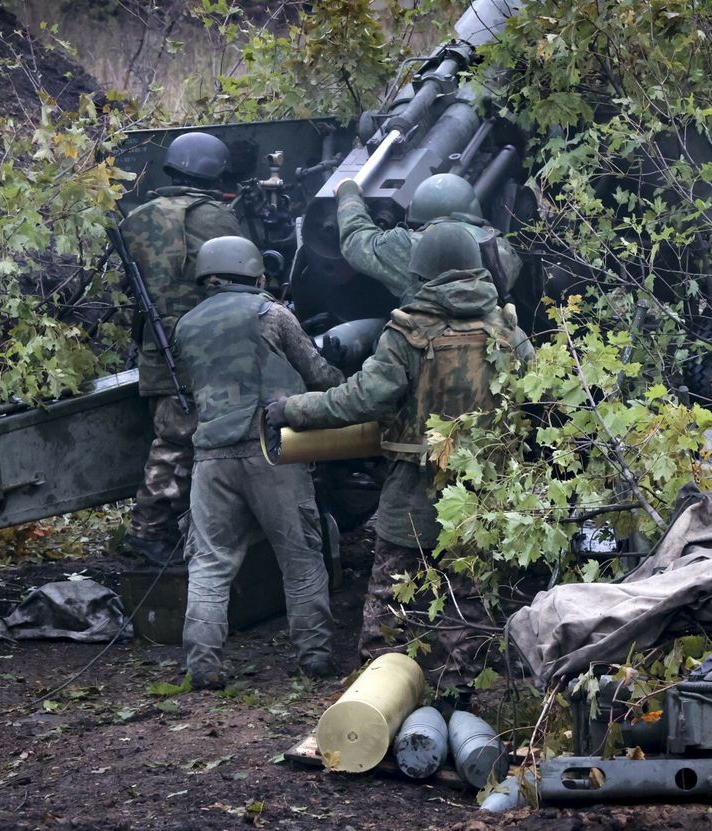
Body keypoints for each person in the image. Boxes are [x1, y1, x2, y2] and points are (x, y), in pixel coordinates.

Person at [266, 223, 534, 690]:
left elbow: (360, 399)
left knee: (389, 600)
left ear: (424, 271)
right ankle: (458, 695)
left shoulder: (409, 330)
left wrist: (292, 409)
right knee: (467, 602)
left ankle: (376, 698)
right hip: (485, 496)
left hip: (414, 491)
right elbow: (541, 399)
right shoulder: (509, 331)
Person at [174, 235, 344, 689]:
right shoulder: (272, 313)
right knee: (301, 556)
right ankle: (316, 659)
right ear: (256, 274)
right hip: (271, 452)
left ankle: (203, 667)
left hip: (209, 459)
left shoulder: (185, 326)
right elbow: (319, 375)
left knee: (209, 564)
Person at [119, 132, 241, 566]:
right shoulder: (213, 218)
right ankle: (149, 531)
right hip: (204, 350)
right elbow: (241, 278)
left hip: (159, 349)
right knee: (178, 442)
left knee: (175, 438)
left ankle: (168, 530)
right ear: (214, 172)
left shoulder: (137, 218)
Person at [335, 172, 522, 305]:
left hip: (425, 348)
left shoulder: (408, 247)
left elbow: (357, 241)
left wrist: (348, 193)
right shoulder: (500, 248)